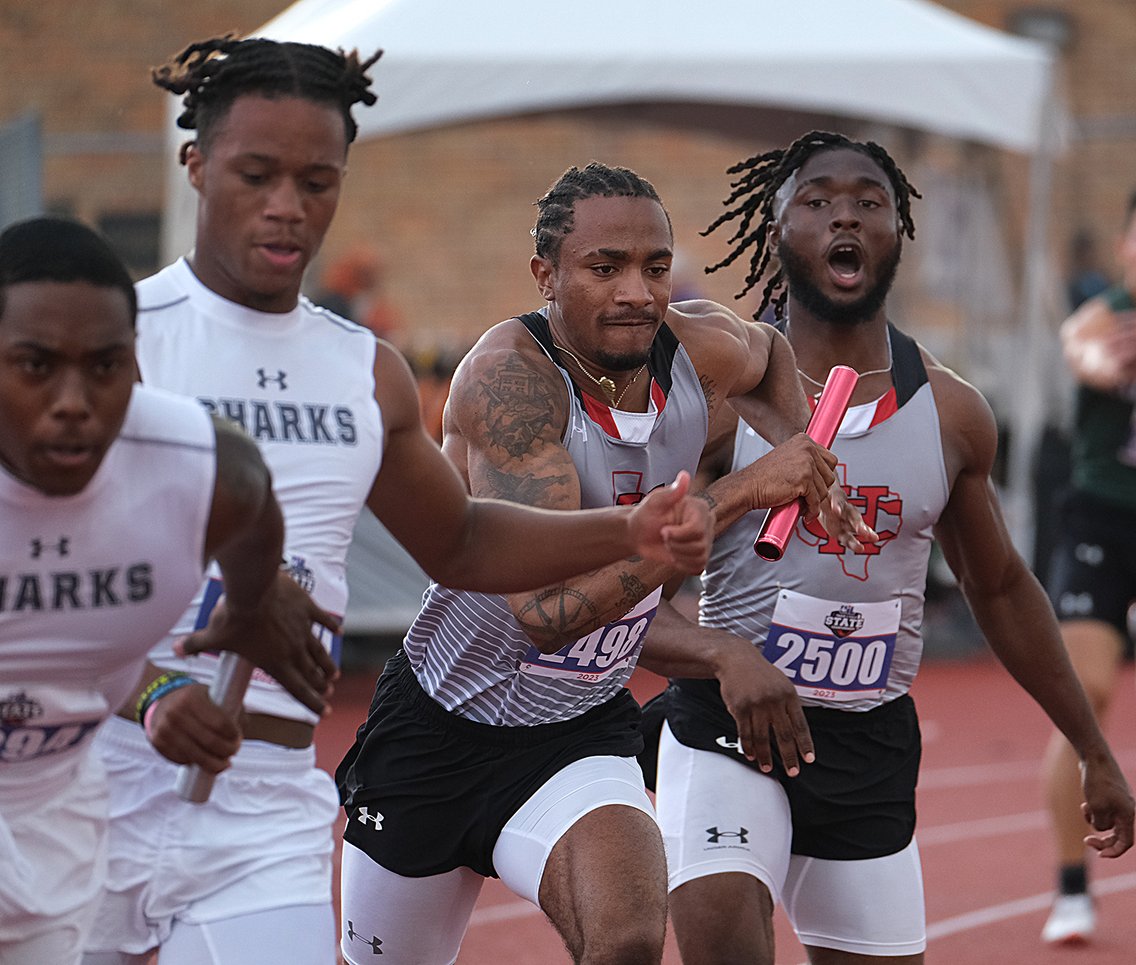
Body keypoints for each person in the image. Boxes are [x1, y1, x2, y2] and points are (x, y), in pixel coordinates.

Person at [81, 39, 714, 965]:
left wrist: (627, 527)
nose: (288, 206)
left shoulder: (362, 371)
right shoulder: (117, 347)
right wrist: (154, 689)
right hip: (95, 785)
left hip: (261, 813)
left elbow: (459, 542)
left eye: (317, 181)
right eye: (257, 174)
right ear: (195, 164)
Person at [334, 160, 863, 965]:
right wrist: (744, 493)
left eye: (655, 268)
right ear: (545, 275)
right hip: (439, 729)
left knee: (625, 937)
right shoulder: (510, 385)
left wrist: (811, 460)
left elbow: (774, 357)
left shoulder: (699, 348)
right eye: (604, 268)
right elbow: (549, 616)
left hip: (574, 732)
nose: (636, 294)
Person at [634, 130, 1136, 965]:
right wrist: (723, 655)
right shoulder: (717, 392)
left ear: (899, 231)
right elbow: (631, 571)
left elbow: (1001, 586)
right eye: (818, 200)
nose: (847, 216)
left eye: (871, 202)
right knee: (724, 942)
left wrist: (1092, 748)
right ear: (778, 227)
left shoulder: (952, 412)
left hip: (868, 744)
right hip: (729, 723)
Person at [0, 216, 339, 964]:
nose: (73, 400)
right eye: (34, 364)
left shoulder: (195, 461)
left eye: (105, 365)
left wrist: (253, 604)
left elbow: (253, 510)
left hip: (53, 807)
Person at [1040, 177, 1136, 945]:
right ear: (1126, 248)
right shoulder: (1101, 311)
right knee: (1084, 697)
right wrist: (1130, 350)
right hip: (1102, 521)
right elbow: (1090, 354)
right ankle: (1073, 889)